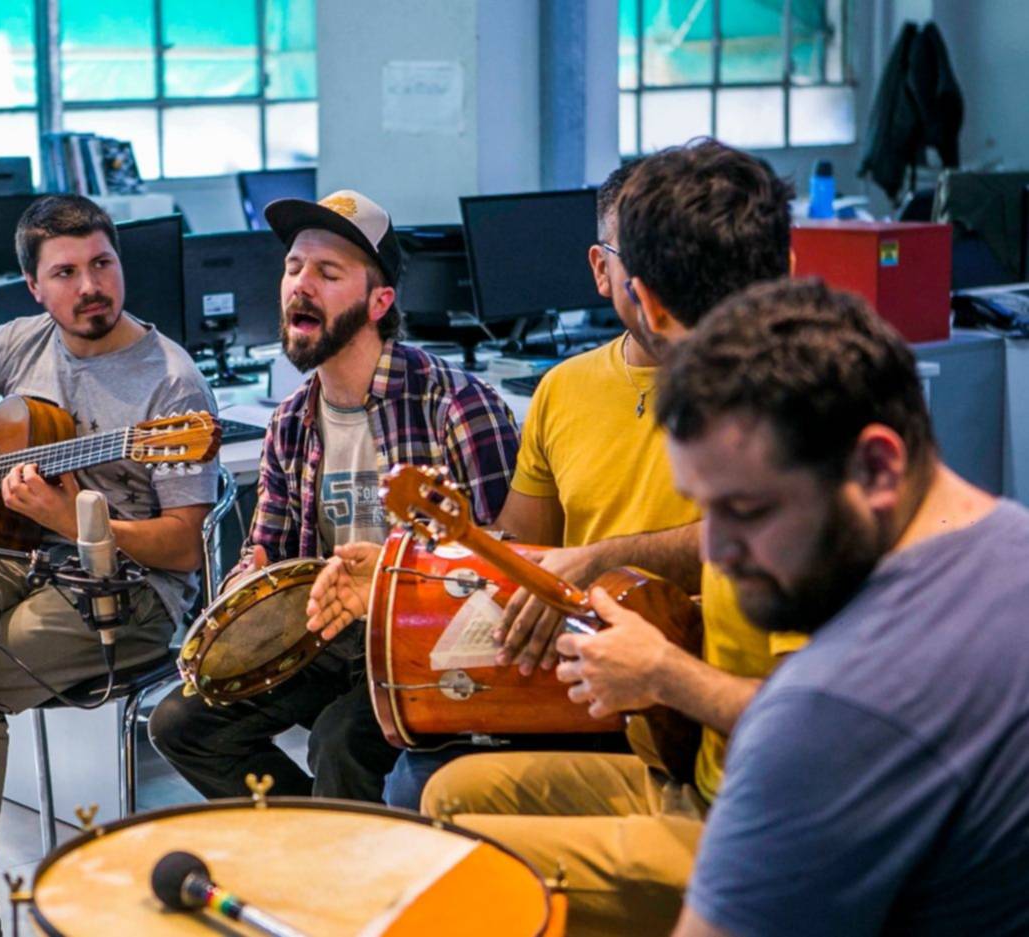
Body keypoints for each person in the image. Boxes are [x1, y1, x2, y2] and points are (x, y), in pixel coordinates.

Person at [307, 141, 801, 936]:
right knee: (430, 787)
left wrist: (641, 629)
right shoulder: (572, 389)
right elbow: (519, 552)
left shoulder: (791, 414)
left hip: (726, 767)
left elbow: (820, 723)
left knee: (441, 858)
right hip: (634, 711)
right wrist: (402, 576)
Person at [0, 195, 216, 936]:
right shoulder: (19, 343)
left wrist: (70, 519)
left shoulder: (172, 385)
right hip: (22, 559)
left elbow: (186, 546)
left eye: (102, 264)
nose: (90, 286)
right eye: (66, 272)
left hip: (128, 591)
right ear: (34, 286)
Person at [652, 279, 1029, 935]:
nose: (715, 550)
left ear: (877, 468)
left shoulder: (828, 710)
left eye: (746, 509)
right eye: (702, 508)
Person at [147, 190, 519, 805]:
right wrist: (247, 580)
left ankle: (345, 852)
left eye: (328, 272)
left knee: (340, 740)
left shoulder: (455, 405)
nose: (301, 284)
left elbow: (504, 569)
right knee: (182, 725)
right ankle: (313, 838)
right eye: (294, 267)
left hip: (428, 641)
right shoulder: (291, 421)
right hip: (328, 639)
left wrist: (394, 590)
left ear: (379, 302)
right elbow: (268, 547)